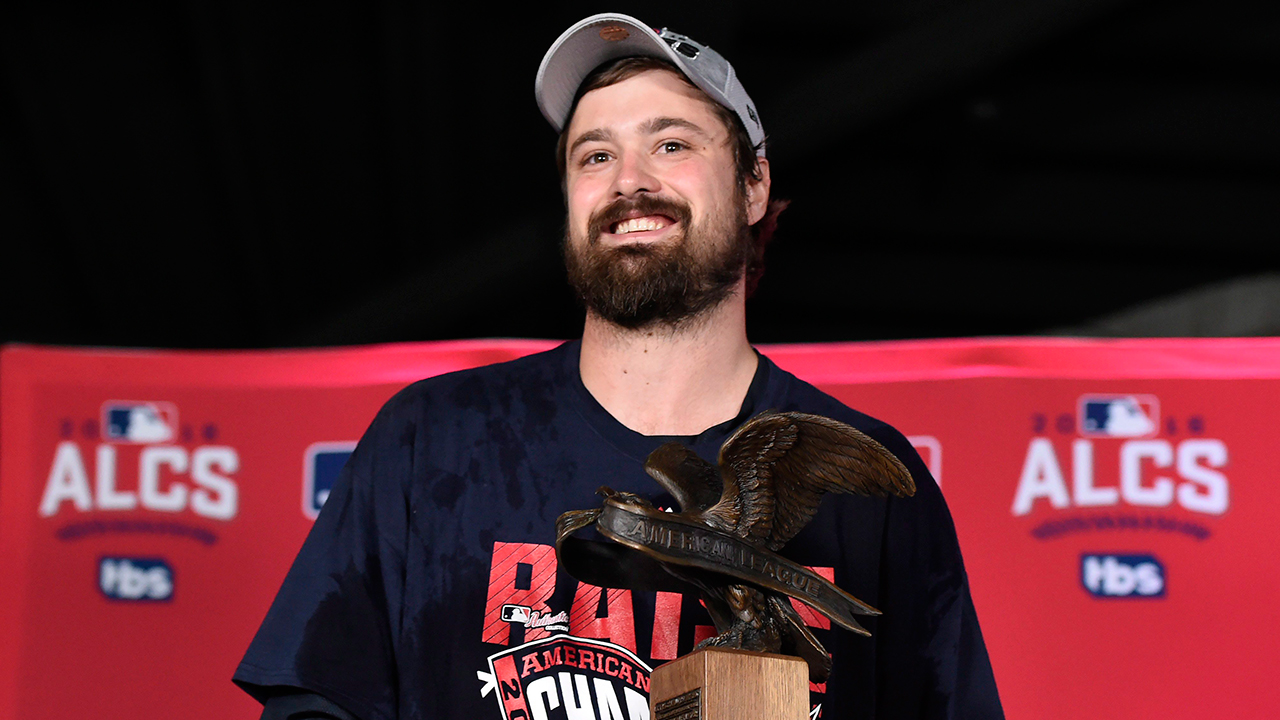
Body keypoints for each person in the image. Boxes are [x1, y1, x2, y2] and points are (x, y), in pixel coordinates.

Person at [233, 13, 1002, 720]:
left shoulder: (875, 488)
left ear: (754, 186)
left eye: (671, 144)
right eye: (595, 154)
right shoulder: (430, 441)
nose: (629, 179)